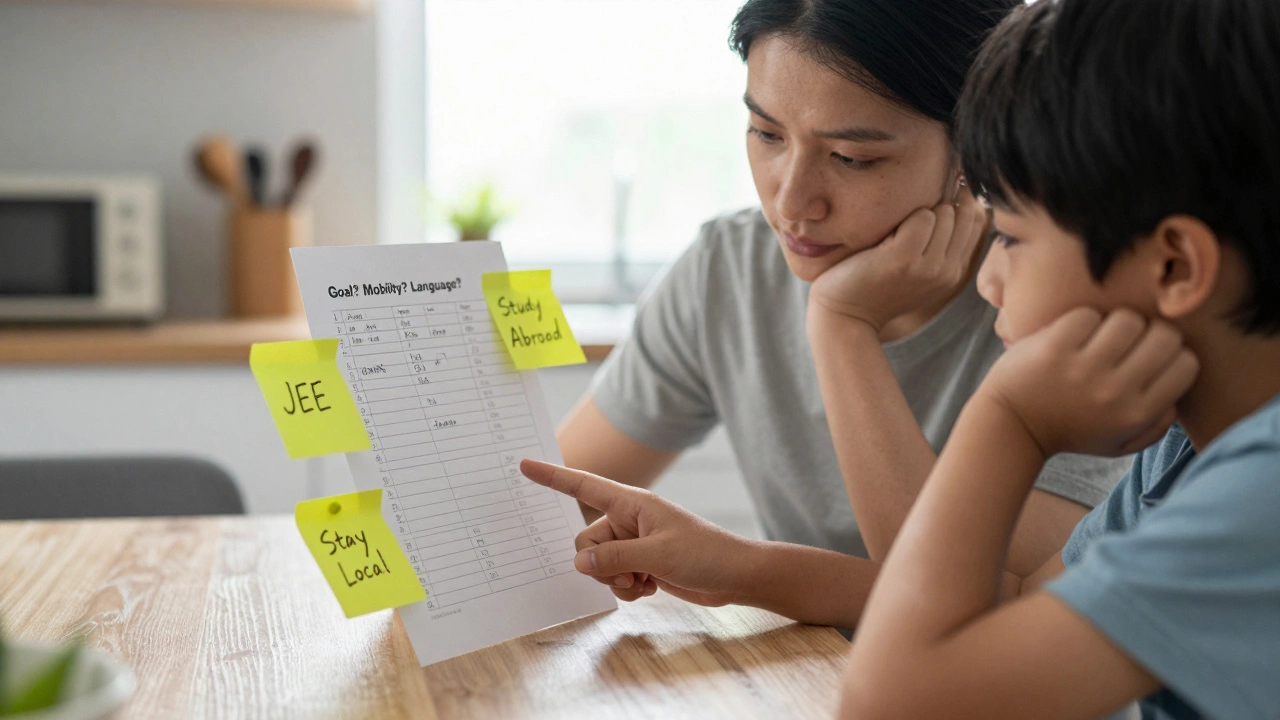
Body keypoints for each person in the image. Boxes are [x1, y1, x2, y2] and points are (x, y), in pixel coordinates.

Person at [547, 0, 1128, 628]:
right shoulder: (731, 267)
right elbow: (551, 503)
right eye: (767, 134)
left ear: (971, 151)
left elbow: (977, 617)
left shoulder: (1067, 305)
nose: (792, 202)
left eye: (852, 158)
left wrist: (840, 325)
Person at [837, 0, 1280, 717]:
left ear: (1173, 267)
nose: (988, 279)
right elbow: (1012, 613)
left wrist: (1009, 419)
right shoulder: (1186, 455)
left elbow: (894, 707)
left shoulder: (1265, 489)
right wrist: (741, 566)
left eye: (1010, 236)